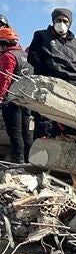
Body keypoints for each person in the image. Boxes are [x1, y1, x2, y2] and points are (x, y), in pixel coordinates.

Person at [27, 8, 76, 138]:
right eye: (59, 20)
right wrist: (46, 72)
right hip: (49, 83)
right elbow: (33, 56)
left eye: (65, 21)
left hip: (71, 85)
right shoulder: (41, 35)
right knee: (45, 119)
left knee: (68, 120)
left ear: (70, 23)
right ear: (53, 21)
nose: (62, 23)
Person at [0, 27, 32, 164]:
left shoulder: (9, 56)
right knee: (26, 133)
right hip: (26, 100)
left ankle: (18, 163)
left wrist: (0, 97)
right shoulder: (25, 56)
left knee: (15, 133)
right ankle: (29, 161)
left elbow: (5, 78)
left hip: (11, 100)